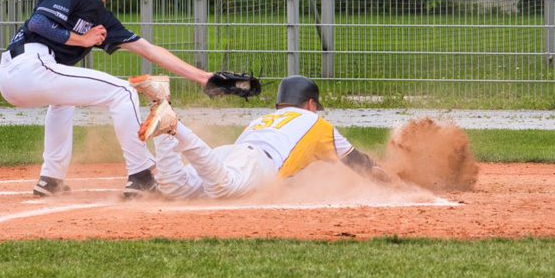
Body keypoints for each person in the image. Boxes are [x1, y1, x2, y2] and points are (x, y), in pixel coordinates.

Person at [0, 0, 215, 198]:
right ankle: (141, 176)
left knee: (64, 103)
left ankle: (51, 179)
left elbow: (150, 50)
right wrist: (82, 39)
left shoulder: (103, 17)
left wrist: (204, 78)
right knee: (123, 91)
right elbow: (39, 22)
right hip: (28, 66)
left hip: (24, 75)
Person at [132, 75, 389, 199]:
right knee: (222, 187)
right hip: (255, 163)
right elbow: (360, 164)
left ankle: (161, 101)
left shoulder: (263, 120)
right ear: (310, 104)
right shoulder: (316, 123)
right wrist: (396, 182)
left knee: (175, 187)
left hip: (233, 153)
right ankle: (174, 126)